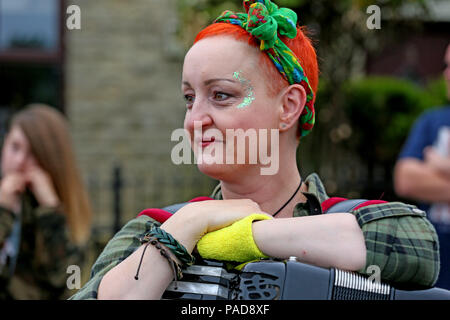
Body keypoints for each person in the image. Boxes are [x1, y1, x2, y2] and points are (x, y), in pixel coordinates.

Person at [71, 0, 439, 300]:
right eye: (188, 98)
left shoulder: (356, 222)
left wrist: (248, 236)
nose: (195, 120)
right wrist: (188, 224)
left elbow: (421, 248)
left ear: (288, 107)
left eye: (221, 95)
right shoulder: (154, 230)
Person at [0, 104, 93, 299]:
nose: (19, 161)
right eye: (15, 147)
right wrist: (4, 210)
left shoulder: (62, 212)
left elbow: (67, 282)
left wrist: (50, 210)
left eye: (33, 154)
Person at [394, 43, 450, 290]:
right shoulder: (432, 120)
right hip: (434, 269)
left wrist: (441, 167)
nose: (447, 74)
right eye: (447, 66)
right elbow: (406, 179)